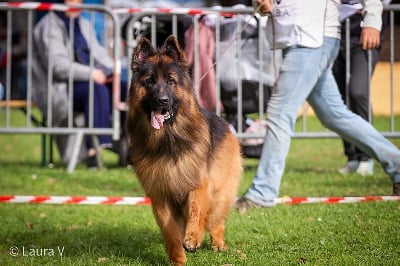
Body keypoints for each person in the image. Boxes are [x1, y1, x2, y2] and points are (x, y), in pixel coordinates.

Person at [235, 0, 400, 213]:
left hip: (312, 40)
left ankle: (262, 193)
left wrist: (372, 21)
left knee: (279, 112)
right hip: (298, 39)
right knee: (334, 115)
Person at [32, 0, 127, 168]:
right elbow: (58, 67)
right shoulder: (48, 26)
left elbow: (99, 54)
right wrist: (92, 74)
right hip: (61, 88)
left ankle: (133, 148)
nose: (79, 2)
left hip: (89, 81)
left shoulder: (83, 23)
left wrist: (113, 71)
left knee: (126, 88)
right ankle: (93, 151)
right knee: (96, 90)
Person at [333, 0, 391, 176]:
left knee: (358, 93)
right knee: (339, 99)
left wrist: (372, 24)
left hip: (363, 38)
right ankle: (352, 157)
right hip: (334, 37)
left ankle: (366, 157)